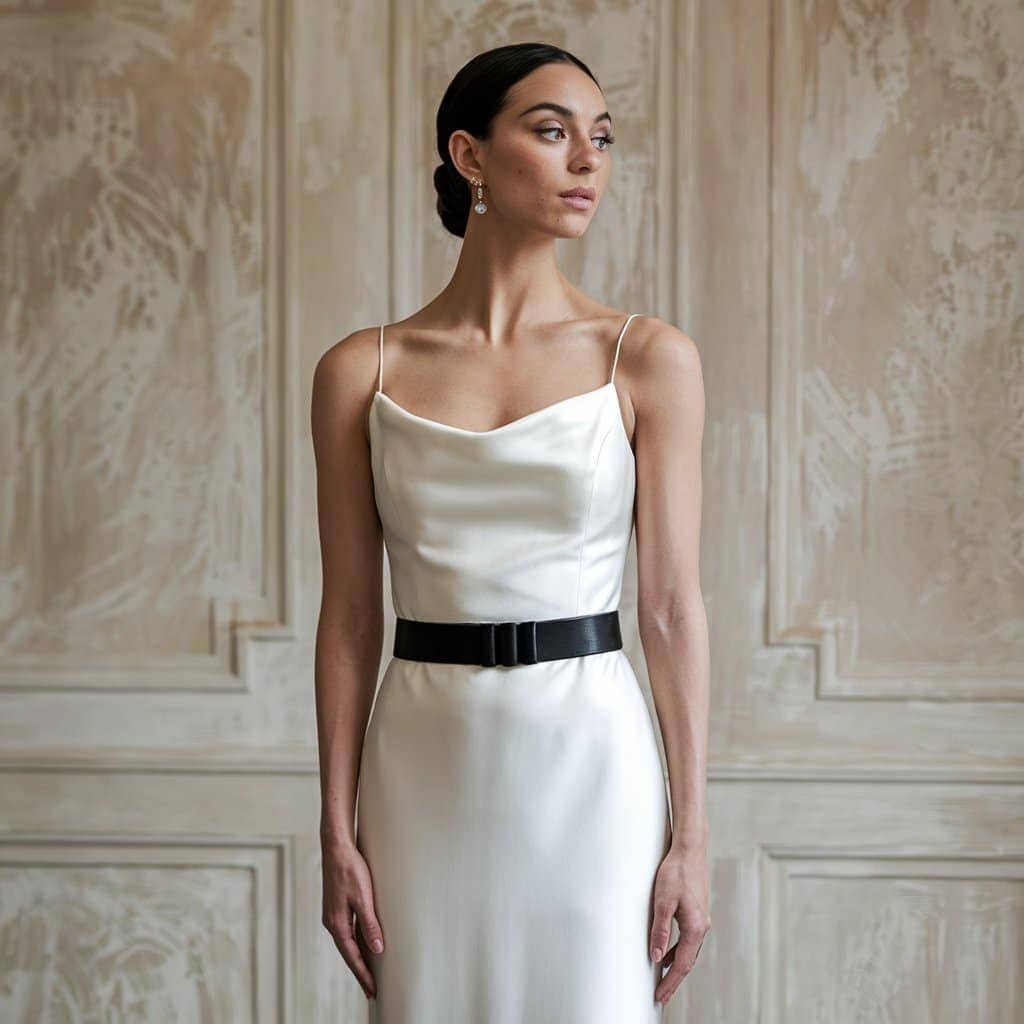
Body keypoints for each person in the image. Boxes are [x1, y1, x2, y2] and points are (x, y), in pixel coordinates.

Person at [310, 41, 710, 1023]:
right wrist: (335, 829)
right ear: (469, 155)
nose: (587, 160)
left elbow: (666, 608)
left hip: (593, 756)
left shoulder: (646, 358)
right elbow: (352, 616)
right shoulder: (359, 370)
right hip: (423, 759)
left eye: (602, 138)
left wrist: (690, 837)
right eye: (550, 130)